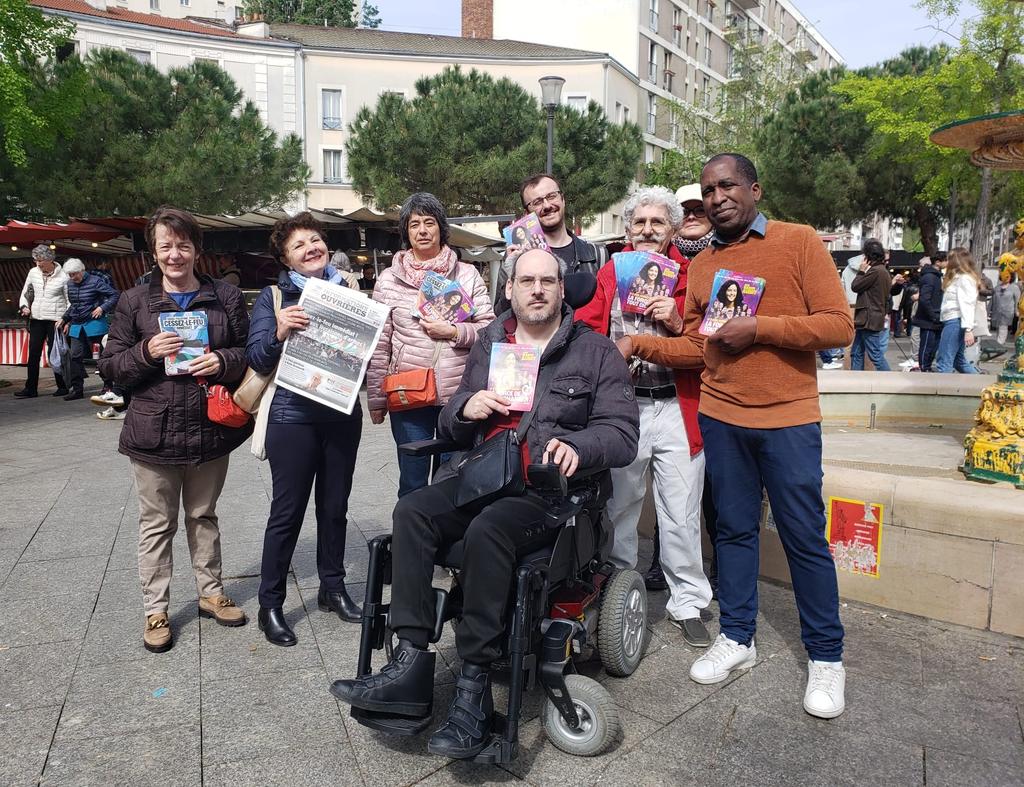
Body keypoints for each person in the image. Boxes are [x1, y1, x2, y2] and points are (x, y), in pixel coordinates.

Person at [330, 248, 640, 759]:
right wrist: (464, 408)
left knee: (489, 530)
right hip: (483, 475)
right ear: (510, 288)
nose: (536, 290)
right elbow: (453, 423)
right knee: (412, 510)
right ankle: (408, 664)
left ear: (562, 289)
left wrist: (579, 447)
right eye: (526, 281)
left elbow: (622, 434)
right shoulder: (493, 339)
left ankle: (473, 688)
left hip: (549, 491)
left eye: (547, 281)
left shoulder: (596, 351)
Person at [617, 153, 854, 719]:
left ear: (754, 188)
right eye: (707, 189)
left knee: (803, 537)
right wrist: (637, 345)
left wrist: (762, 327)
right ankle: (739, 638)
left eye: (727, 186)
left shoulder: (798, 243)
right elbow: (702, 347)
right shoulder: (701, 267)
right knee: (733, 533)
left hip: (789, 418)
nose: (718, 196)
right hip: (723, 418)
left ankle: (826, 657)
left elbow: (838, 325)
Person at [99, 206, 251, 653]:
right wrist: (146, 351)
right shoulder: (134, 301)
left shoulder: (224, 296)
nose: (175, 254)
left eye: (183, 245)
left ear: (197, 249)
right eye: (166, 245)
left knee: (203, 515)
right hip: (153, 432)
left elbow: (249, 352)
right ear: (154, 251)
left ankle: (211, 592)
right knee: (156, 524)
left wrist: (223, 361)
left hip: (209, 427)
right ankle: (156, 608)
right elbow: (110, 369)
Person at [575, 185, 711, 647]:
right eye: (639, 223)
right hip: (625, 407)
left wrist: (675, 320)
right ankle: (617, 592)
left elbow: (706, 344)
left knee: (680, 510)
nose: (648, 231)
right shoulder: (612, 270)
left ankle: (688, 600)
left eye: (657, 223)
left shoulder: (692, 275)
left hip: (676, 404)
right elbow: (588, 327)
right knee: (620, 506)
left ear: (672, 228)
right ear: (628, 230)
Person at [246, 212, 364, 646]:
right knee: (287, 512)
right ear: (286, 257)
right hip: (291, 416)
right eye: (299, 245)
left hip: (340, 413)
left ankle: (332, 588)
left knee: (335, 507)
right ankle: (270, 604)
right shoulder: (274, 297)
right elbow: (257, 357)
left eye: (315, 240)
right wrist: (278, 330)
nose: (311, 248)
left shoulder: (349, 290)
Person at [367, 193, 495, 497]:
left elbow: (489, 329)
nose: (422, 230)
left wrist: (453, 331)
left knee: (453, 480)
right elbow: (379, 343)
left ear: (441, 229)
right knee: (412, 482)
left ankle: (447, 544)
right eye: (414, 225)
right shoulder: (388, 280)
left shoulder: (467, 274)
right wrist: (375, 399)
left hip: (458, 395)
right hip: (409, 398)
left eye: (429, 222)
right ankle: (412, 543)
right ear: (406, 233)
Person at [494, 173, 609, 312]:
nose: (547, 205)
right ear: (527, 213)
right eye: (537, 202)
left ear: (563, 199)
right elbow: (500, 313)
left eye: (552, 196)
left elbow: (607, 311)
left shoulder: (597, 254)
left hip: (586, 333)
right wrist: (511, 271)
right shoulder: (516, 257)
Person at [15, 245, 70, 399]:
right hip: (37, 319)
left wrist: (66, 320)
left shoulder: (64, 276)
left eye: (41, 260)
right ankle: (31, 388)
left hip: (55, 320)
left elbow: (69, 300)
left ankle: (63, 386)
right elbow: (25, 292)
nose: (38, 264)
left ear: (50, 259)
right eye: (36, 260)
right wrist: (24, 306)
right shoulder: (33, 273)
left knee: (55, 353)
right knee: (33, 353)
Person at [61, 258, 119, 401]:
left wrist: (102, 308)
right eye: (70, 275)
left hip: (95, 325)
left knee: (100, 357)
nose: (72, 278)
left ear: (82, 270)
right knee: (75, 356)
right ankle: (77, 389)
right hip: (77, 325)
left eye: (75, 274)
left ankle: (108, 385)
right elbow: (74, 305)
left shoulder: (95, 281)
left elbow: (114, 295)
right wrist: (64, 318)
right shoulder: (70, 284)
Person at [935, 247, 981, 374]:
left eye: (950, 259)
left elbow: (967, 304)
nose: (947, 261)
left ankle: (943, 390)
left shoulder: (963, 279)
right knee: (958, 360)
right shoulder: (960, 278)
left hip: (955, 321)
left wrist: (968, 329)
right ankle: (980, 384)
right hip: (955, 321)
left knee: (944, 361)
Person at [850, 239, 892, 371]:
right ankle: (856, 382)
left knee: (875, 355)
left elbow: (855, 286)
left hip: (869, 318)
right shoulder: (883, 271)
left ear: (868, 256)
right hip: (870, 318)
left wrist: (861, 271)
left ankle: (892, 381)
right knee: (856, 353)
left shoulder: (875, 271)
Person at [913, 253, 945, 371]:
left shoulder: (936, 276)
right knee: (927, 346)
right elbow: (924, 299)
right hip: (929, 319)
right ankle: (924, 367)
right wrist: (933, 316)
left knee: (932, 346)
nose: (947, 264)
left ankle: (926, 366)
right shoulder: (930, 277)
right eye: (945, 261)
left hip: (934, 317)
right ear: (938, 262)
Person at [993, 272, 1021, 345]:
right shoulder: (997, 287)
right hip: (997, 311)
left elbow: (1018, 300)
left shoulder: (1014, 288)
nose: (1005, 277)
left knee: (1003, 327)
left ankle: (999, 344)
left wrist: (1017, 310)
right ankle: (999, 343)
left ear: (1011, 277)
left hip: (1008, 312)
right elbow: (993, 300)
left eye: (1007, 276)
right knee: (998, 328)